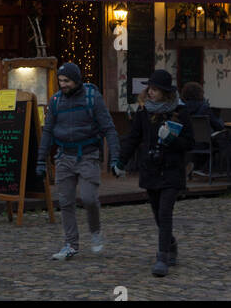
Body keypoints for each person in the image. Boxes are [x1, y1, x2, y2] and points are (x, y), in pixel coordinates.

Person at [36, 60, 122, 261]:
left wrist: (115, 158)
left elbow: (109, 128)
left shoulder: (93, 98)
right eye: (60, 81)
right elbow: (48, 131)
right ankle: (70, 244)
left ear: (76, 80)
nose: (63, 84)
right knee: (65, 202)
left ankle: (95, 231)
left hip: (88, 155)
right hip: (64, 156)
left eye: (66, 80)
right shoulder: (56, 101)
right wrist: (41, 160)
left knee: (89, 198)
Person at [114, 69, 194, 277]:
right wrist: (120, 161)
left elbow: (190, 142)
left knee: (165, 211)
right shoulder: (144, 111)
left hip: (171, 170)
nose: (150, 92)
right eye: (150, 88)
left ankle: (162, 257)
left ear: (166, 92)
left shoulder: (180, 111)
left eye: (155, 89)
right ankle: (171, 243)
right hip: (150, 167)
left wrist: (172, 140)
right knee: (157, 212)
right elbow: (133, 137)